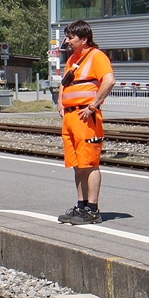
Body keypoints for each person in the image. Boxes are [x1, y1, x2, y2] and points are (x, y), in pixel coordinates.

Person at [56, 20, 114, 224]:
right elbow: (64, 84)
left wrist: (92, 106)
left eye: (71, 37)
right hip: (71, 117)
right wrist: (60, 102)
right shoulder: (72, 59)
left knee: (89, 163)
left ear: (84, 39)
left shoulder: (97, 56)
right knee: (78, 164)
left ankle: (93, 210)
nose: (67, 41)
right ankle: (81, 206)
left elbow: (109, 81)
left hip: (86, 117)